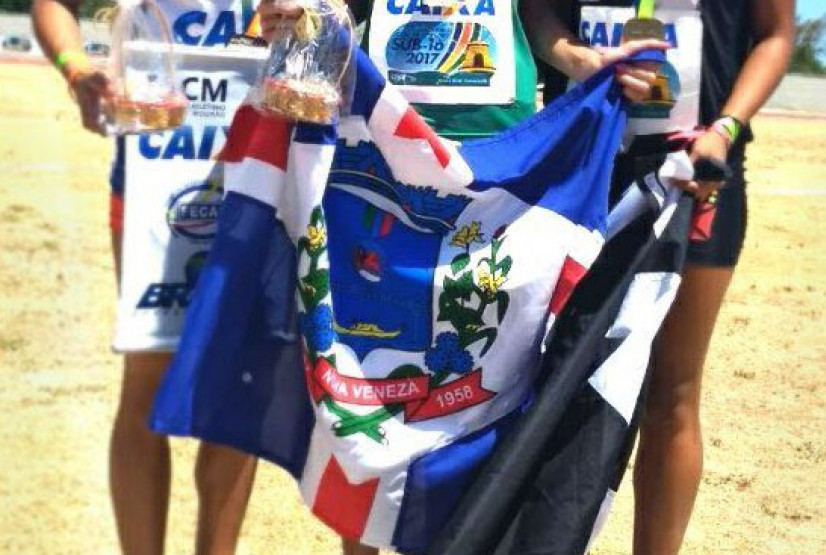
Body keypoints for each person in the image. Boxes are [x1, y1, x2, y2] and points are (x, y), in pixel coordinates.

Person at [256, 0, 664, 553]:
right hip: (380, 146)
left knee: (486, 379)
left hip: (501, 166)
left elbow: (536, 15)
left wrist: (578, 59)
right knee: (364, 379)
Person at [529, 0, 796, 552]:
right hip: (584, 169)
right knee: (551, 379)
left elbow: (775, 35)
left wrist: (725, 127)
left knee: (673, 389)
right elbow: (536, 13)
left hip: (697, 177)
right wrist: (579, 60)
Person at [31, 1, 260, 553]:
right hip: (152, 162)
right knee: (146, 376)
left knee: (235, 386)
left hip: (256, 162)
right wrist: (77, 68)